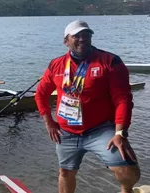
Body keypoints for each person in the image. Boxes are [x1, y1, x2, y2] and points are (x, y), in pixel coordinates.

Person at [35, 20, 140, 193]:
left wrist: (120, 132)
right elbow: (41, 94)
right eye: (76, 36)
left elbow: (123, 99)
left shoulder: (110, 61)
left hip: (101, 129)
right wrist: (49, 122)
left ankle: (126, 190)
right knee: (65, 171)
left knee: (128, 171)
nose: (82, 39)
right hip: (66, 132)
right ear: (66, 41)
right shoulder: (56, 65)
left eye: (86, 35)